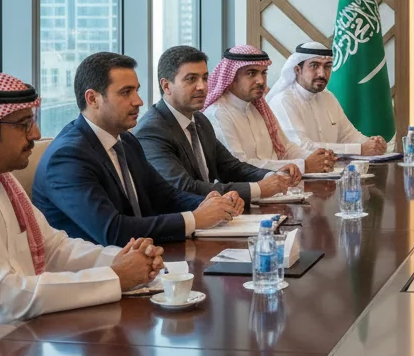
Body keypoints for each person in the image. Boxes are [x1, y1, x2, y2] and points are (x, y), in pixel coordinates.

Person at [0, 72, 164, 356]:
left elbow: (54, 248)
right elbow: (1, 296)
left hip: (17, 346)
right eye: (24, 124)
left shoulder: (1, 181)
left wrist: (120, 259)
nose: (36, 134)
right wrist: (115, 277)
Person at [33, 52, 241, 245]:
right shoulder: (68, 157)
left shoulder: (126, 140)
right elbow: (113, 230)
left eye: (136, 90)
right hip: (95, 272)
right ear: (92, 98)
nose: (138, 101)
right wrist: (195, 218)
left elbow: (165, 196)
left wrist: (212, 203)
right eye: (126, 93)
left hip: (143, 257)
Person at [135, 46, 301, 204]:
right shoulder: (152, 131)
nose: (202, 86)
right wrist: (258, 188)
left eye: (205, 78)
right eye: (191, 79)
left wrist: (272, 176)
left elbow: (231, 167)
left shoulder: (199, 121)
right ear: (166, 86)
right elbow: (184, 187)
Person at [203, 45, 335, 173]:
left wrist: (318, 159)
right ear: (231, 77)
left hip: (279, 188)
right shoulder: (218, 114)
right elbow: (240, 166)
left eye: (263, 73)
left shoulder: (257, 108)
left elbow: (286, 148)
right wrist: (303, 165)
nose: (260, 80)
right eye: (251, 73)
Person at [267, 41, 387, 156]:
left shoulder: (328, 97)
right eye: (314, 66)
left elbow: (348, 135)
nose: (322, 74)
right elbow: (302, 147)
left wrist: (372, 144)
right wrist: (359, 149)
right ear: (298, 70)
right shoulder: (284, 101)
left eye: (327, 67)